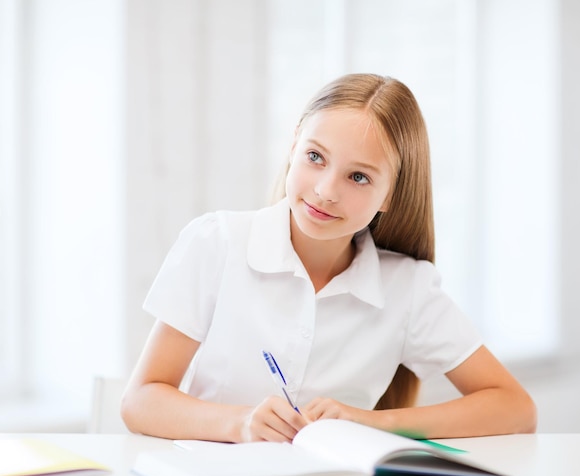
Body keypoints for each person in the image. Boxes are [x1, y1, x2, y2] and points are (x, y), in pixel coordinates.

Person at [120, 73, 536, 443]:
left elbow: (515, 408)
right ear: (295, 142)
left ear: (390, 194)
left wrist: (372, 423)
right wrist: (241, 423)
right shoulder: (218, 242)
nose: (325, 190)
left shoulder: (407, 288)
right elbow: (140, 400)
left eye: (358, 177)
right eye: (315, 157)